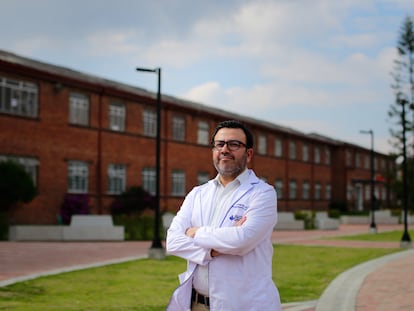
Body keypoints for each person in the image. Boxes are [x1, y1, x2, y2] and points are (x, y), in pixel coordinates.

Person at [166, 120, 281, 311]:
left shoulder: (262, 193)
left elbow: (242, 240)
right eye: (220, 144)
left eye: (234, 144)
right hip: (196, 305)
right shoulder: (197, 193)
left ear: (249, 153)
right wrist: (211, 251)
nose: (225, 149)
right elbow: (172, 241)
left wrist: (196, 232)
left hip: (244, 305)